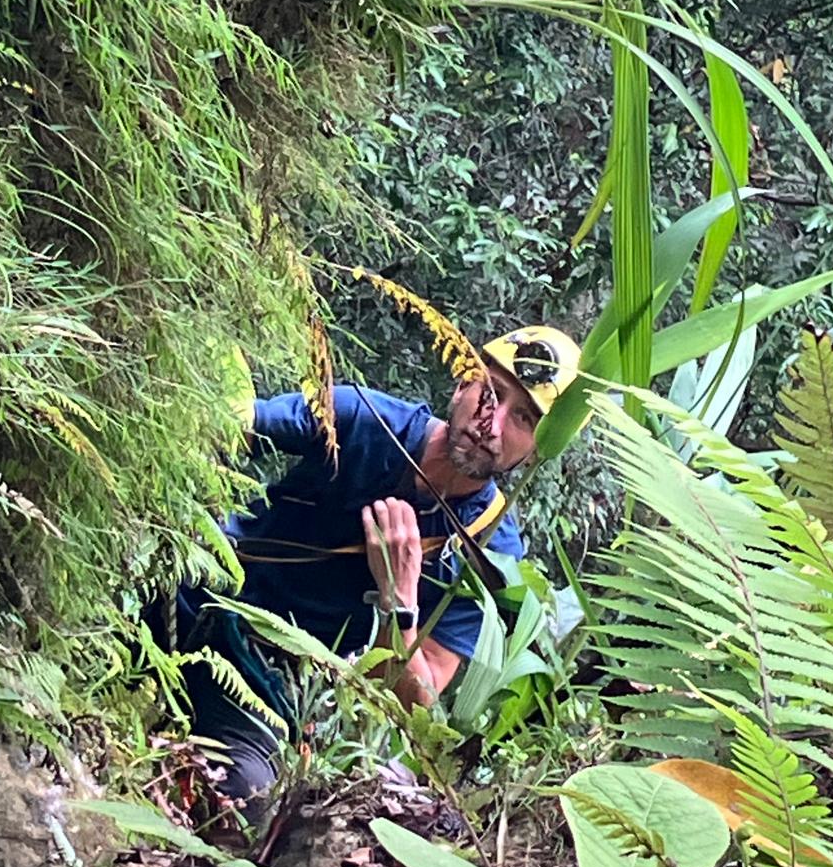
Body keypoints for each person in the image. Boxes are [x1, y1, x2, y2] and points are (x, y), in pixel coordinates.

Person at [172, 324, 581, 809]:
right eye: (490, 393)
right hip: (188, 592)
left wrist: (399, 598)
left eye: (524, 420)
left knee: (245, 798)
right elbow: (219, 428)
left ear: (538, 448)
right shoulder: (361, 421)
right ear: (462, 385)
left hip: (264, 686)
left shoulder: (490, 556)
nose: (491, 424)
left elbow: (419, 702)